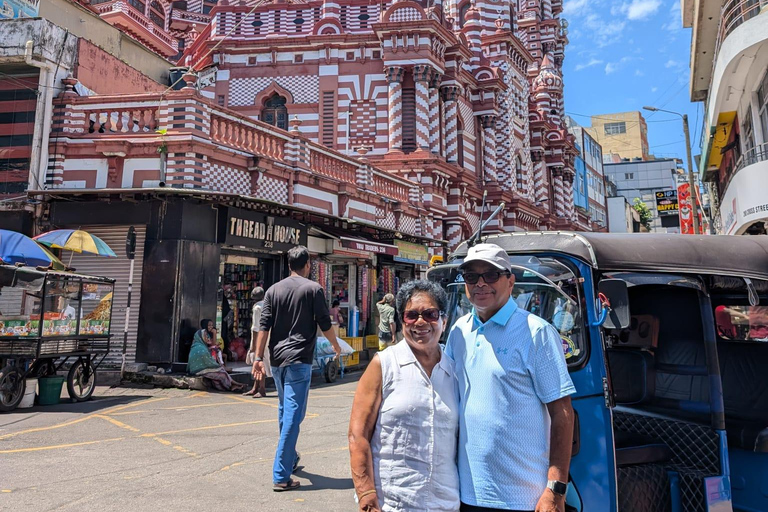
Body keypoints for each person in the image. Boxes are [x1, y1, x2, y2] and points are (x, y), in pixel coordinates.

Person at [446, 243, 576, 512]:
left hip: (524, 497)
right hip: (468, 493)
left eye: (491, 275)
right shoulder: (459, 331)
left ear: (510, 281)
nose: (481, 283)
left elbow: (562, 412)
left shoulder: (536, 332)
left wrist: (555, 489)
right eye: (472, 276)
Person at [349, 280, 459, 512]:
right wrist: (366, 493)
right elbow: (357, 436)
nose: (420, 322)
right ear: (402, 322)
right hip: (393, 501)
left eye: (430, 314)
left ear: (444, 321)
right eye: (411, 316)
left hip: (445, 501)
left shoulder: (456, 372)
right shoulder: (384, 364)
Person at [251, 245, 341, 492]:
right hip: (299, 360)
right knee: (293, 415)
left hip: (277, 359)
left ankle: (290, 459)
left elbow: (263, 326)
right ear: (308, 265)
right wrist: (335, 345)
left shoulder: (273, 290)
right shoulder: (314, 289)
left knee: (286, 410)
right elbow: (324, 323)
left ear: (288, 264)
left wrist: (258, 357)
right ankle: (281, 474)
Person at [187, 319, 245, 392]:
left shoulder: (200, 345)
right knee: (222, 375)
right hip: (200, 370)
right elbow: (208, 363)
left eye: (212, 325)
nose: (207, 338)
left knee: (222, 373)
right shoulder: (201, 349)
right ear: (201, 337)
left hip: (204, 368)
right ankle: (230, 387)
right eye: (209, 325)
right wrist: (218, 367)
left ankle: (234, 384)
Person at [244, 286, 271, 397]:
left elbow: (256, 328)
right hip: (268, 336)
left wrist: (253, 346)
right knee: (261, 361)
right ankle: (255, 387)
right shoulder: (268, 305)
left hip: (259, 337)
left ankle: (262, 389)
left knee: (259, 361)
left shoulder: (257, 308)